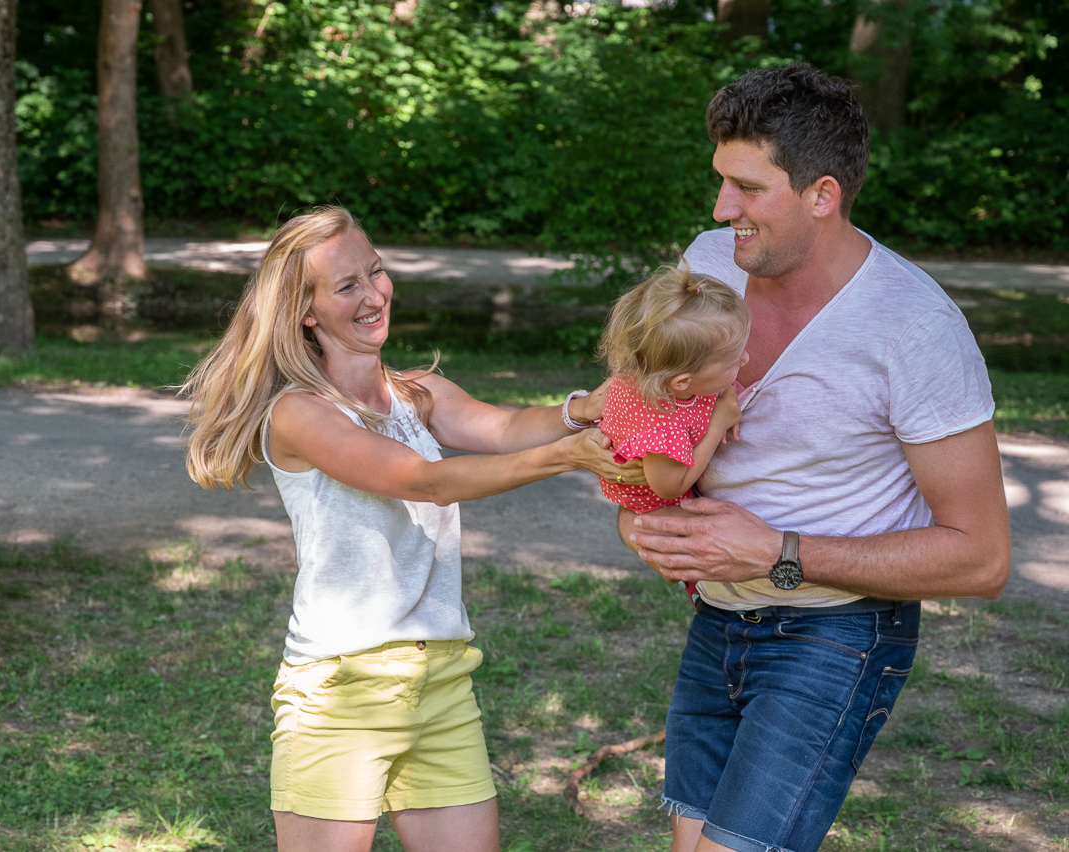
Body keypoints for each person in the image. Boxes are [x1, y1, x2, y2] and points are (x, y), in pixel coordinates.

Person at [616, 63, 1011, 852]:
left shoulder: (916, 329)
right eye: (721, 181)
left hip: (837, 634)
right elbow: (640, 408)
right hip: (717, 618)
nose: (721, 208)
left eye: (747, 188)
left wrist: (776, 552)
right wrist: (641, 515)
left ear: (822, 195)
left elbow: (982, 558)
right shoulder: (707, 265)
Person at [181, 206, 642, 852]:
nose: (375, 295)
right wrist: (566, 456)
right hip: (342, 689)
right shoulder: (299, 415)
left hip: (442, 679)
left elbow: (507, 427)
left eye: (376, 272)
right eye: (348, 286)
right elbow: (423, 480)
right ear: (306, 311)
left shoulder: (419, 393)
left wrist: (584, 409)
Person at [595, 267, 750, 601]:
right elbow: (671, 485)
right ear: (682, 382)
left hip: (668, 483)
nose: (746, 359)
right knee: (712, 548)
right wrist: (718, 424)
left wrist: (727, 392)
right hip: (656, 508)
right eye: (733, 362)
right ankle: (699, 592)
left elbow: (713, 386)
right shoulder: (662, 426)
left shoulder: (664, 374)